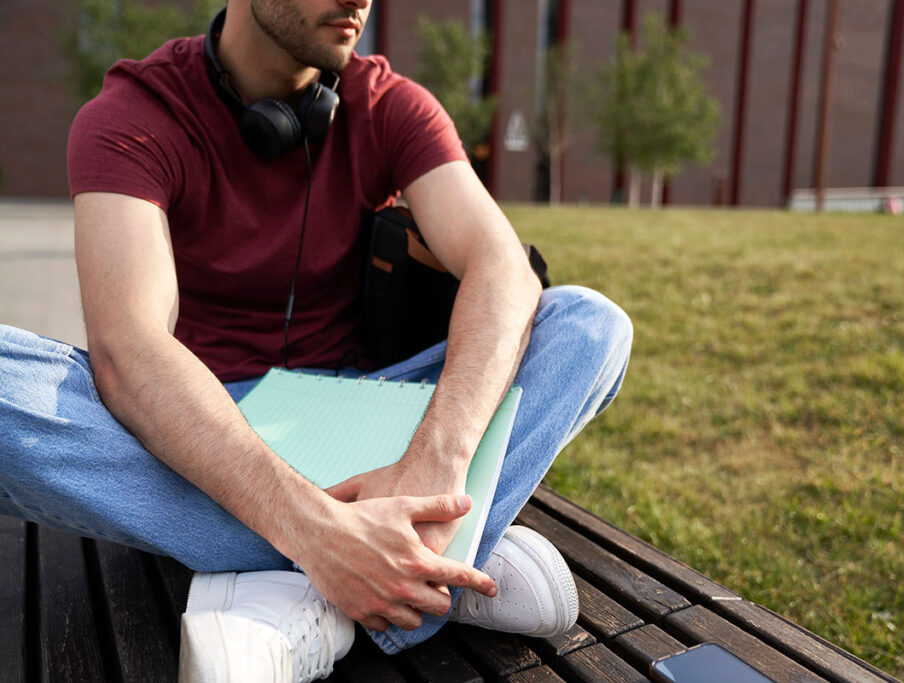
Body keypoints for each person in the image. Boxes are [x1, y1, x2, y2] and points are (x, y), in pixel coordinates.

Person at [0, 0, 632, 680]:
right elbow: (130, 351)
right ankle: (442, 554)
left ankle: (314, 583)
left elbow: (500, 262)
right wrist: (314, 531)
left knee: (590, 325)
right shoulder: (133, 114)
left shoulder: (391, 105)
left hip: (372, 420)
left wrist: (438, 461)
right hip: (201, 429)